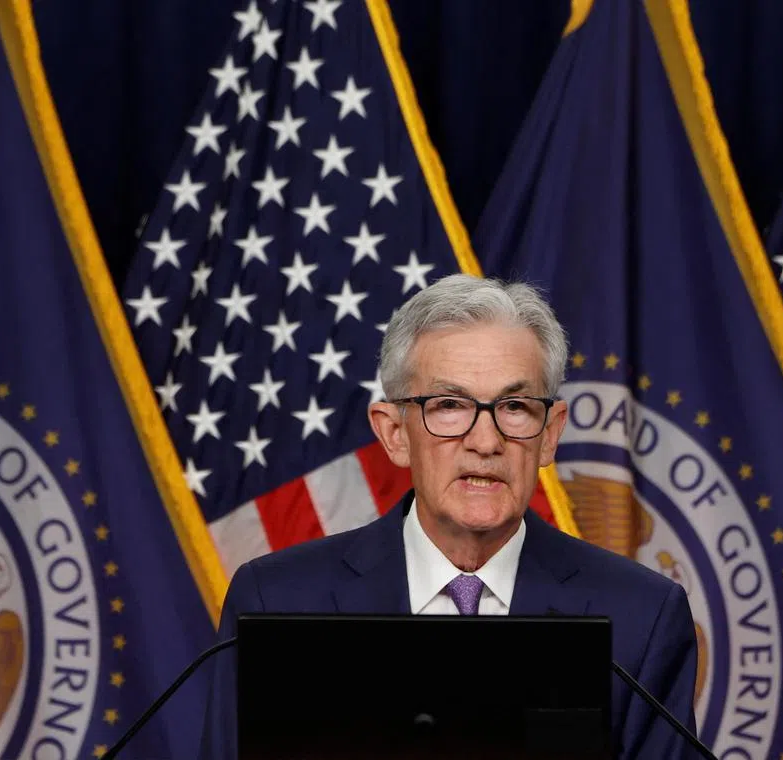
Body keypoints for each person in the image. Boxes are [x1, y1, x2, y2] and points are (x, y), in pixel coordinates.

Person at [199, 274, 699, 758]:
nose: (485, 441)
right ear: (394, 432)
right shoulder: (277, 602)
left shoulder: (642, 618)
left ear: (549, 433)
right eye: (449, 406)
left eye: (516, 407)